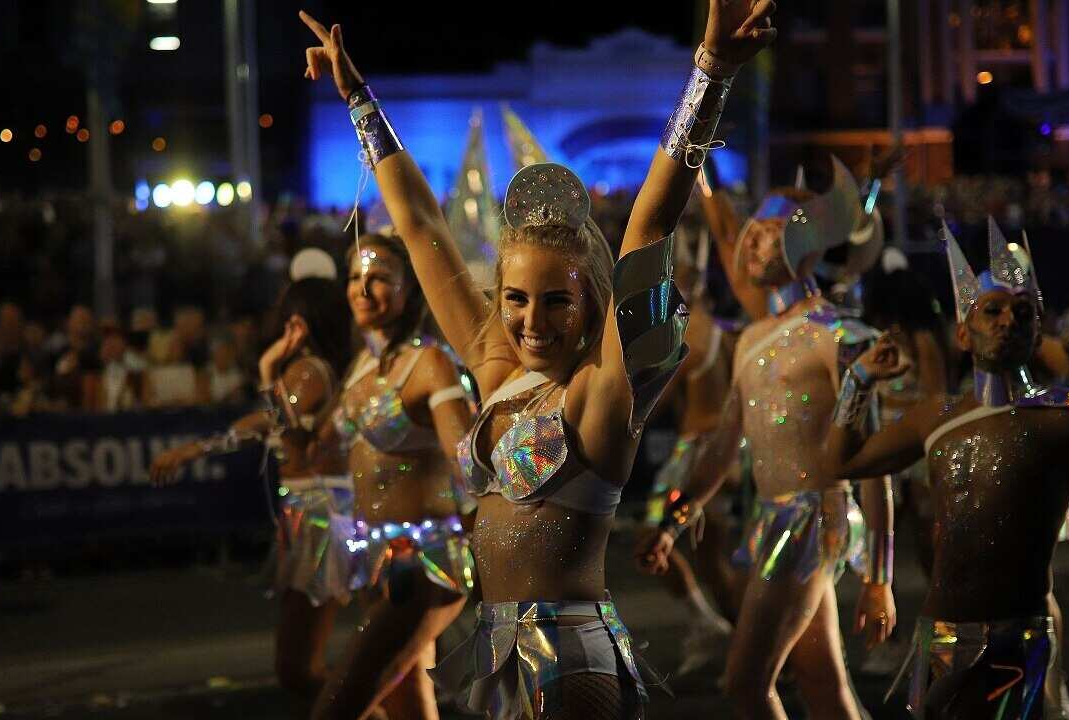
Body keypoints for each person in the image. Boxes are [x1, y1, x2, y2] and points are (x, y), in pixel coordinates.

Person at [298, 2, 775, 716]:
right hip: (495, 650)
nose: (531, 321)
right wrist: (358, 99)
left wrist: (711, 73)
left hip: (571, 655)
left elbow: (650, 223)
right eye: (516, 299)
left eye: (556, 302)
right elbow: (420, 224)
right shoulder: (496, 368)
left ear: (592, 303)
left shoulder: (600, 392)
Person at [826, 220, 1069, 720]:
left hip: (1017, 642)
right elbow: (843, 462)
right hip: (939, 639)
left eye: (1023, 311)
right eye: (992, 310)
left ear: (1038, 333)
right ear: (963, 333)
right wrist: (858, 380)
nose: (1008, 320)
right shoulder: (936, 417)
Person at [640, 158, 897, 720]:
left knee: (745, 681)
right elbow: (723, 443)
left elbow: (872, 462)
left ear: (807, 242)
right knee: (821, 681)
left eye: (768, 234)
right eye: (751, 233)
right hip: (772, 519)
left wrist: (880, 577)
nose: (750, 244)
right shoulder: (754, 336)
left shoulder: (839, 336)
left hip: (813, 520)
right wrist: (675, 520)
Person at [150, 277, 355, 705]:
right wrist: (199, 449)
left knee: (299, 669)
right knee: (300, 667)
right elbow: (263, 422)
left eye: (287, 315)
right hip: (312, 511)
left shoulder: (309, 371)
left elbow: (278, 421)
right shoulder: (311, 369)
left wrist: (265, 368)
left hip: (319, 516)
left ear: (300, 322)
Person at [308, 235, 476, 720]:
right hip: (375, 563)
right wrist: (274, 370)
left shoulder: (431, 364)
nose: (362, 289)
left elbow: (468, 462)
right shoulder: (361, 366)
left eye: (379, 277)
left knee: (338, 707)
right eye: (355, 278)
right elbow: (316, 450)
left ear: (410, 288)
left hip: (424, 565)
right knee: (408, 707)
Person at [637, 213, 743, 677]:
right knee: (710, 557)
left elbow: (656, 403)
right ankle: (740, 643)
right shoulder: (724, 332)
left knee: (651, 540)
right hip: (725, 454)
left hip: (694, 456)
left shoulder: (685, 339)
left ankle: (715, 628)